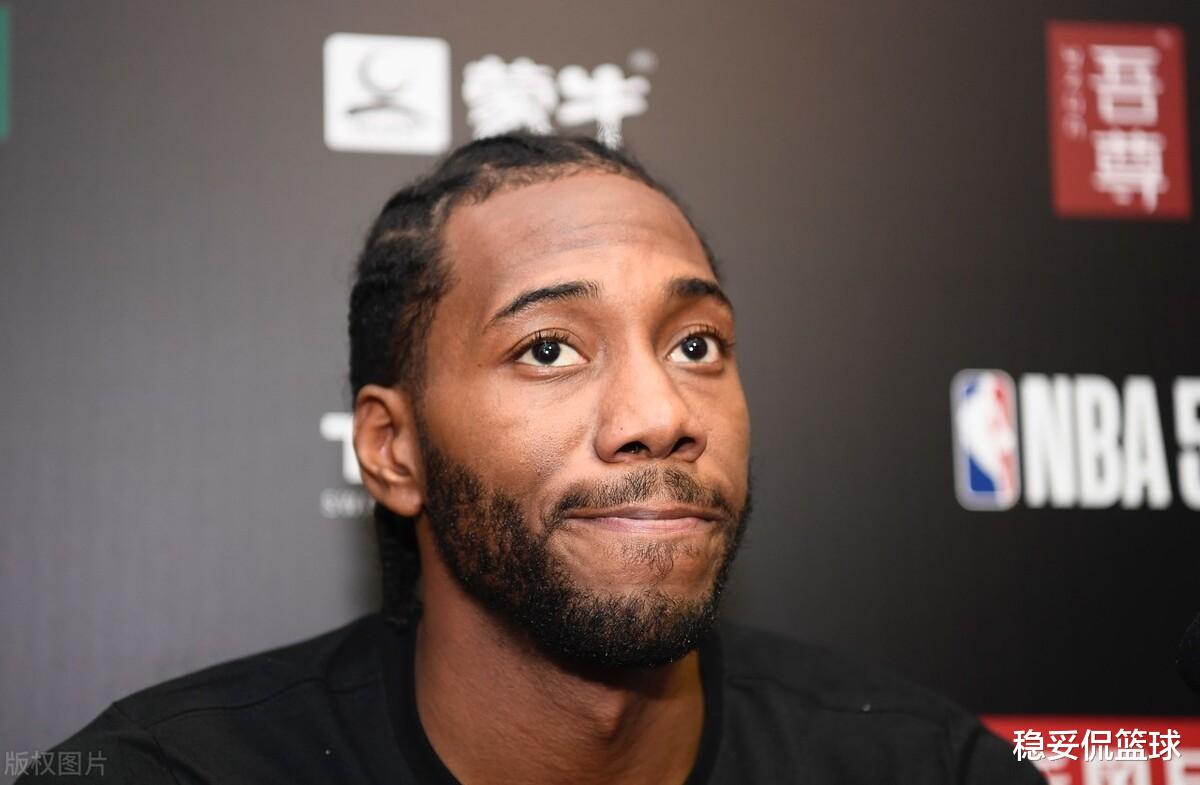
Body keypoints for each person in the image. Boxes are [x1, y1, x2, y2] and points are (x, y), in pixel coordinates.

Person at [21, 133, 1043, 784]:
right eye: (549, 349)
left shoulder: (924, 768)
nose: (660, 413)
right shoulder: (170, 775)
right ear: (393, 450)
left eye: (696, 346)